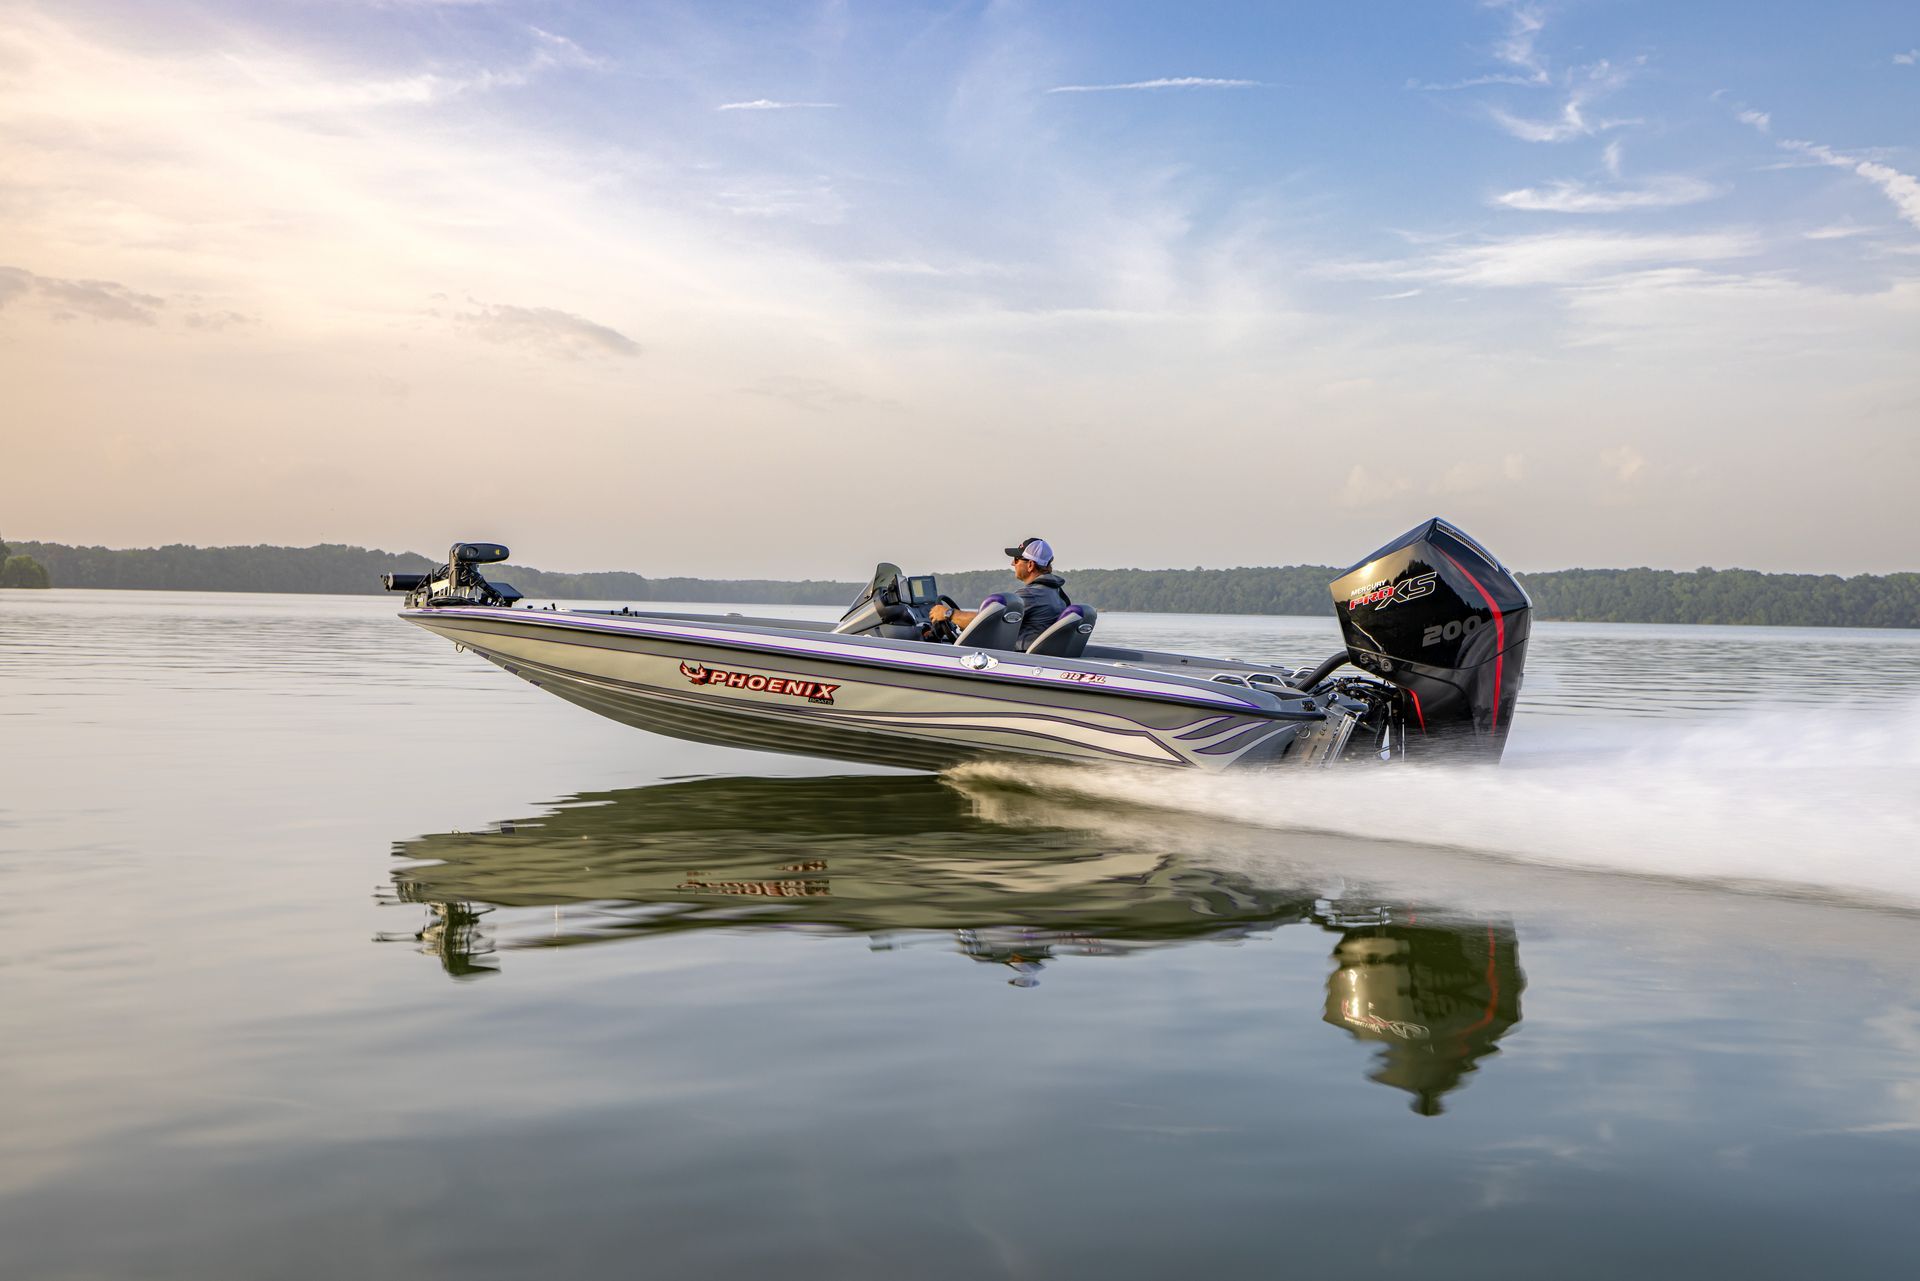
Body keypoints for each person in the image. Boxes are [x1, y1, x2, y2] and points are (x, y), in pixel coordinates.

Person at [929, 537, 1069, 650]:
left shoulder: (1031, 595)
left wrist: (948, 614)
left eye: (1016, 559)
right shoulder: (1056, 593)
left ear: (1030, 565)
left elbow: (984, 623)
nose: (1012, 564)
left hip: (1020, 662)